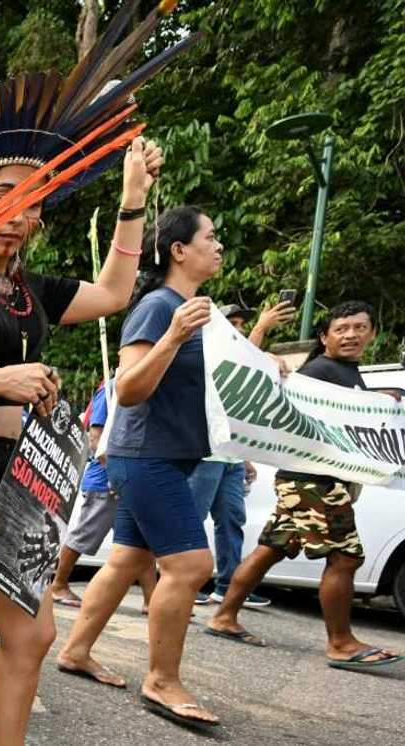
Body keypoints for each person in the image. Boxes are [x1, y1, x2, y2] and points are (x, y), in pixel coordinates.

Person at [0, 3, 194, 740]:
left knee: (33, 638)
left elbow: (114, 292)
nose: (15, 215)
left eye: (31, 202)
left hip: (20, 485)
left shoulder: (33, 291)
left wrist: (133, 199)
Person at [56, 206, 222, 727]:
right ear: (179, 250)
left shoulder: (191, 307)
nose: (219, 246)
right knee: (191, 567)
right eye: (210, 238)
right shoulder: (159, 306)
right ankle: (162, 680)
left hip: (159, 454)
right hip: (146, 455)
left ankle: (76, 650)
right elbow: (126, 389)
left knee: (128, 559)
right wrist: (172, 336)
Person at [206, 301, 403, 670]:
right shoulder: (319, 371)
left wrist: (376, 400)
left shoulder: (345, 372)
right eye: (342, 329)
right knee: (345, 557)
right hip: (314, 482)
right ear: (325, 336)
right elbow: (293, 401)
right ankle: (340, 643)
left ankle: (223, 617)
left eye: (359, 328)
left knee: (270, 549)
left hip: (303, 482)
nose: (351, 335)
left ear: (372, 333)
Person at [189, 301, 294, 606]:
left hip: (230, 459)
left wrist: (244, 456)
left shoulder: (245, 351)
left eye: (242, 325)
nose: (239, 329)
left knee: (232, 520)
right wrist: (261, 329)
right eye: (232, 324)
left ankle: (228, 587)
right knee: (192, 521)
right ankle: (185, 582)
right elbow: (235, 364)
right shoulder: (206, 351)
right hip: (205, 456)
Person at [50, 382, 157, 612]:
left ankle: (152, 600)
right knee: (84, 534)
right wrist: (115, 475)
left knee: (141, 541)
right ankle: (57, 584)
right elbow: (96, 437)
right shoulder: (110, 389)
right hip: (105, 480)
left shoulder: (147, 385)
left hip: (130, 477)